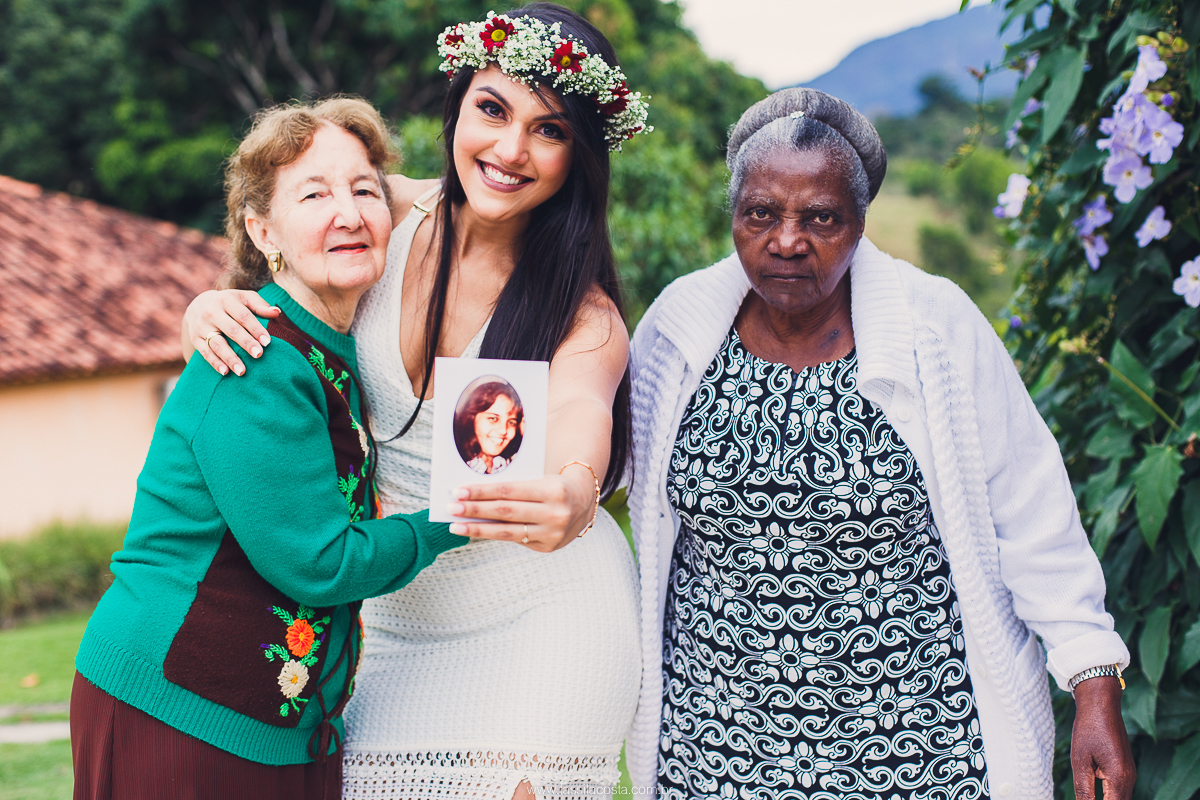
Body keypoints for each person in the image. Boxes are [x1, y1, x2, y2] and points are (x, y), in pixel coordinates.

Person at [180, 5, 645, 798]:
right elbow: (278, 246)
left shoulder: (587, 316)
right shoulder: (383, 211)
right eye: (492, 110)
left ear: (580, 157)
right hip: (397, 607)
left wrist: (572, 489)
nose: (510, 149)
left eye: (549, 130)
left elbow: (579, 419)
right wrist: (209, 304)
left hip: (549, 609)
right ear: (457, 106)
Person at [626, 88, 1135, 800]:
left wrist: (1092, 679)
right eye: (761, 213)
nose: (787, 240)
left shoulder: (936, 327)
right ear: (734, 213)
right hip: (715, 751)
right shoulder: (677, 331)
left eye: (821, 217)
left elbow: (1032, 512)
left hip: (918, 750)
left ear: (860, 224)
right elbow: (604, 476)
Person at [71, 98, 467, 800]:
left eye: (364, 190)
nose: (347, 213)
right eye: (313, 195)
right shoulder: (258, 357)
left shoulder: (335, 341)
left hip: (272, 719)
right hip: (179, 711)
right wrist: (457, 513)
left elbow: (488, 192)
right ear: (262, 229)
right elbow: (319, 562)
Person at [454, 379, 524, 474]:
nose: (503, 430)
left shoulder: (509, 465)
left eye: (511, 422)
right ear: (472, 418)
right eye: (493, 419)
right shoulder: (456, 466)